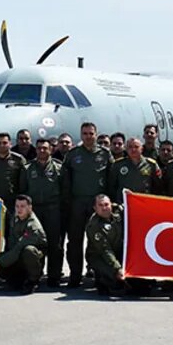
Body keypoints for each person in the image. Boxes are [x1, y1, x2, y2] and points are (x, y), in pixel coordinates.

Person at [62, 123, 110, 288]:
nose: (88, 136)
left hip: (97, 204)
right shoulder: (73, 154)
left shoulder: (105, 154)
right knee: (75, 241)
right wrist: (67, 202)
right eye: (85, 133)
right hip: (77, 203)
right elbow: (66, 180)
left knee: (98, 241)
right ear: (81, 135)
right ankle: (75, 275)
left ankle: (98, 274)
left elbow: (110, 179)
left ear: (96, 134)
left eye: (91, 133)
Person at [85, 194, 145, 296]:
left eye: (106, 204)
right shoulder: (94, 226)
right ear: (95, 208)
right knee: (114, 278)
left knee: (138, 281)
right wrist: (117, 269)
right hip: (99, 256)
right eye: (100, 205)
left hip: (118, 251)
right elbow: (105, 250)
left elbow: (131, 207)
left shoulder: (118, 212)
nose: (104, 208)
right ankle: (103, 281)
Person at [24, 138, 65, 285]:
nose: (42, 151)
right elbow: (23, 190)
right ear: (35, 150)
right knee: (35, 243)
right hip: (34, 211)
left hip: (53, 210)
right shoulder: (27, 168)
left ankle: (54, 276)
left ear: (51, 150)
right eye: (39, 148)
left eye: (45, 148)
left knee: (55, 244)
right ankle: (35, 275)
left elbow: (65, 189)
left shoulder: (59, 168)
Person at [0, 195, 47, 294]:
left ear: (30, 208)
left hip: (31, 259)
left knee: (28, 250)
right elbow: (12, 245)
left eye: (22, 206)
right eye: (17, 206)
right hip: (18, 255)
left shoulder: (33, 226)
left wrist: (0, 263)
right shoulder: (15, 219)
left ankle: (33, 280)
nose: (19, 209)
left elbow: (19, 247)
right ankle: (17, 279)